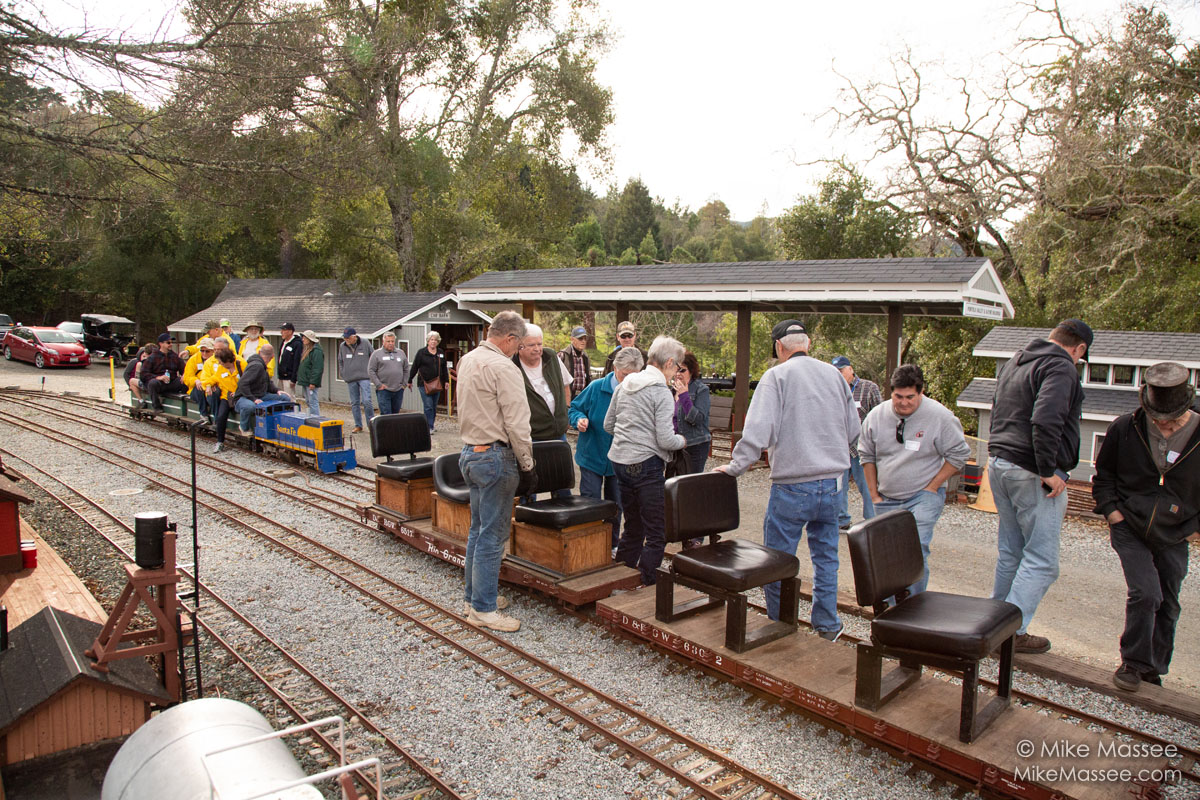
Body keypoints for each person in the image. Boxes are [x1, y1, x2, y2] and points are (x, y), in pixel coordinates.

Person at [715, 320, 859, 640]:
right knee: (827, 559)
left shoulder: (776, 376)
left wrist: (736, 467)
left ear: (780, 348)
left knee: (777, 561)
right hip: (833, 483)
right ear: (808, 343)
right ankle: (827, 625)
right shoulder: (835, 376)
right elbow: (854, 431)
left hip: (793, 485)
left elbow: (757, 431)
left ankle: (782, 623)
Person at [1092, 362, 1200, 692]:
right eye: (1157, 419)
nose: (1163, 425)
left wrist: (1193, 525)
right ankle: (1133, 663)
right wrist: (1112, 513)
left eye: (1171, 420)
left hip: (1175, 530)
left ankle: (1154, 669)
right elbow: (1104, 476)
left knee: (1168, 600)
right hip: (1129, 526)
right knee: (1145, 593)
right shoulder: (1125, 427)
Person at [988, 318, 1091, 654]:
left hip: (999, 462)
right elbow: (1046, 418)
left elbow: (999, 409)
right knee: (1043, 560)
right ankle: (1011, 633)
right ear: (1079, 349)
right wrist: (1048, 469)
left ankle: (993, 622)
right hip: (1032, 471)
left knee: (1012, 551)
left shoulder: (1016, 361)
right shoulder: (1061, 367)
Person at [858, 364, 970, 596]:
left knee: (914, 548)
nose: (904, 402)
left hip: (922, 495)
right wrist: (873, 494)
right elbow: (866, 455)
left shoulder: (940, 416)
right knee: (885, 553)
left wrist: (933, 486)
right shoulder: (877, 416)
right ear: (891, 392)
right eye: (898, 396)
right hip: (886, 496)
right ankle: (889, 609)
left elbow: (959, 454)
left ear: (921, 392)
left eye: (910, 397)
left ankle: (913, 606)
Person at [456, 311, 535, 633]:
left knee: (478, 531)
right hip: (495, 456)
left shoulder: (468, 360)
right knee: (493, 536)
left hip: (470, 453)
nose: (518, 351)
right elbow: (517, 422)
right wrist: (527, 463)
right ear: (511, 339)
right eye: (519, 345)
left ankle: (474, 597)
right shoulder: (504, 367)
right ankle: (484, 609)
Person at [604, 335, 688, 586]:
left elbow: (609, 425)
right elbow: (665, 440)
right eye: (678, 367)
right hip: (646, 465)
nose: (677, 372)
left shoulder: (625, 384)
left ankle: (621, 578)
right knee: (656, 531)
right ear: (670, 362)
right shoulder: (660, 392)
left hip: (619, 462)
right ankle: (647, 582)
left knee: (632, 526)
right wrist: (682, 441)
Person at [571, 347, 642, 553]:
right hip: (591, 455)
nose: (627, 380)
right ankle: (589, 545)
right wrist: (579, 420)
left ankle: (611, 545)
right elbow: (574, 407)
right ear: (615, 368)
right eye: (624, 375)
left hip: (618, 460)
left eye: (633, 376)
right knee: (590, 500)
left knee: (615, 504)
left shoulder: (636, 391)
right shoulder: (596, 387)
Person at [832, 355, 882, 530]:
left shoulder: (869, 388)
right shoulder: (832, 389)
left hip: (863, 448)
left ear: (850, 369)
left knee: (867, 485)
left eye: (841, 370)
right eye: (836, 371)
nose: (839, 374)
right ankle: (841, 520)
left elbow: (880, 414)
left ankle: (872, 521)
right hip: (840, 447)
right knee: (839, 487)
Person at [231, 343, 290, 432]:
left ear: (259, 352)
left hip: (260, 395)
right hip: (244, 397)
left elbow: (267, 382)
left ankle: (277, 425)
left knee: (284, 398)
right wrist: (253, 399)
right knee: (250, 406)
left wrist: (277, 390)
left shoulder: (262, 365)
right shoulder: (256, 365)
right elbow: (242, 383)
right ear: (272, 357)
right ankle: (244, 428)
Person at [672, 351, 711, 474]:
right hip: (674, 446)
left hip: (695, 445)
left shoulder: (701, 390)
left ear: (691, 371)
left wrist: (684, 396)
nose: (678, 374)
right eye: (675, 370)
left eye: (682, 370)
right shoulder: (670, 391)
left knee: (690, 485)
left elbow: (698, 419)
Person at [410, 331, 450, 434]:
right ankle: (428, 426)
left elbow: (444, 368)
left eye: (435, 340)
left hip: (437, 383)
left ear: (438, 342)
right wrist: (409, 380)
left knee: (433, 405)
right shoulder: (421, 353)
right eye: (431, 340)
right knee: (428, 405)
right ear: (428, 341)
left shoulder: (440, 352)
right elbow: (415, 367)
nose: (433, 342)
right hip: (424, 384)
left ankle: (431, 424)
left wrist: (446, 381)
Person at [204, 348, 240, 453]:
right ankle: (220, 442)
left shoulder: (240, 365)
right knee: (220, 416)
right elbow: (212, 379)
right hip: (226, 397)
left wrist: (239, 392)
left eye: (220, 360)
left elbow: (248, 380)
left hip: (240, 396)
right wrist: (208, 385)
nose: (219, 363)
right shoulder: (221, 369)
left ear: (227, 359)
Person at [338, 327, 374, 433]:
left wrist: (372, 372)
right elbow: (340, 361)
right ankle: (358, 425)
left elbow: (373, 357)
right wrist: (343, 373)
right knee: (354, 402)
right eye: (345, 338)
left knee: (367, 401)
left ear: (354, 337)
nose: (346, 340)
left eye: (348, 338)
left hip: (364, 377)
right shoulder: (342, 346)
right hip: (351, 378)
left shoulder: (365, 343)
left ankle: (371, 425)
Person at [142, 333, 186, 412]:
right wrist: (158, 377)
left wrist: (184, 375)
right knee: (152, 383)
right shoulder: (153, 357)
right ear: (161, 344)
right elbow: (144, 374)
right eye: (168, 343)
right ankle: (156, 406)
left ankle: (182, 405)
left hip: (172, 382)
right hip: (159, 384)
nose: (170, 344)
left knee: (185, 380)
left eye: (171, 343)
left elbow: (184, 369)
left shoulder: (175, 356)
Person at [369, 331, 410, 415]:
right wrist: (378, 384)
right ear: (383, 342)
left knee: (395, 414)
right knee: (386, 414)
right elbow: (371, 370)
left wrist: (404, 384)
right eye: (388, 341)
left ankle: (394, 428)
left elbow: (406, 369)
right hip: (384, 390)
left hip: (398, 389)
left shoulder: (401, 353)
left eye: (392, 341)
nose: (390, 343)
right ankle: (384, 428)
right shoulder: (376, 354)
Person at [183, 337, 217, 421]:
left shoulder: (217, 360)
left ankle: (218, 419)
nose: (204, 353)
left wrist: (210, 384)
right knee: (200, 388)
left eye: (207, 351)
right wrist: (196, 380)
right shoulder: (193, 360)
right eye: (202, 350)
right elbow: (187, 378)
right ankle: (203, 414)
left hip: (211, 386)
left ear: (213, 351)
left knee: (216, 393)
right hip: (196, 388)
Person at [558, 325, 592, 396]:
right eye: (580, 338)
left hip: (583, 396)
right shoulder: (562, 355)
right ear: (572, 339)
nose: (583, 341)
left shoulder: (586, 357)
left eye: (585, 339)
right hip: (567, 396)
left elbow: (588, 377)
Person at [296, 330, 323, 416]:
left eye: (304, 337)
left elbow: (317, 368)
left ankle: (316, 419)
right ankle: (312, 417)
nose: (302, 339)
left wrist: (313, 382)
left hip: (310, 382)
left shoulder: (316, 351)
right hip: (305, 380)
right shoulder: (307, 350)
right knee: (308, 401)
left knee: (313, 402)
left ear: (309, 339)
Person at [276, 323, 302, 396]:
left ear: (290, 332)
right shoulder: (283, 342)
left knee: (289, 397)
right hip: (281, 376)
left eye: (284, 330)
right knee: (280, 397)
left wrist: (293, 379)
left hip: (289, 378)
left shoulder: (297, 344)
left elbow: (296, 362)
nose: (281, 332)